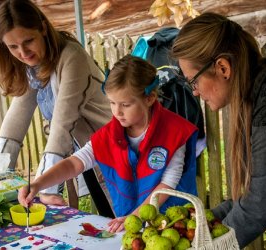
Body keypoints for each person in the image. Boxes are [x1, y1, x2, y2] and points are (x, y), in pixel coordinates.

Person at [18, 54, 198, 232]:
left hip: (176, 224)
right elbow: (74, 163)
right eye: (112, 102)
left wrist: (135, 216)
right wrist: (38, 184)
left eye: (125, 105)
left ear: (149, 98)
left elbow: (168, 183)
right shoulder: (110, 134)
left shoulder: (175, 131)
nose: (117, 111)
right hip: (132, 226)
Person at [172, 12, 266, 248]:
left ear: (222, 68)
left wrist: (205, 247)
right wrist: (202, 220)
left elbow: (260, 205)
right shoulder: (256, 89)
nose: (194, 92)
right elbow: (251, 196)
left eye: (193, 81)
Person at [0, 0, 113, 212]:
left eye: (28, 41)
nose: (23, 52)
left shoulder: (72, 57)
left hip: (111, 148)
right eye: (13, 47)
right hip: (82, 156)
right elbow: (17, 118)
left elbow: (62, 124)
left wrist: (44, 187)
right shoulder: (32, 65)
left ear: (43, 28)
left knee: (119, 220)